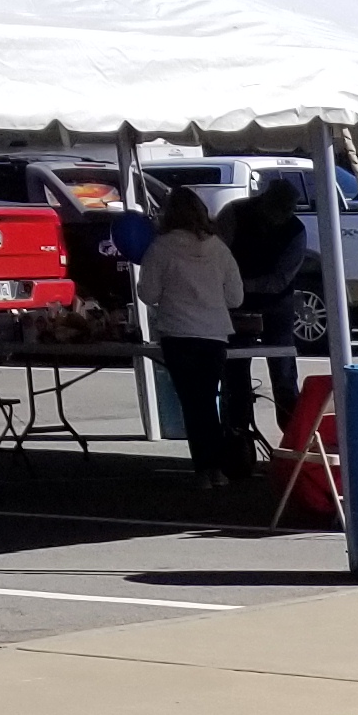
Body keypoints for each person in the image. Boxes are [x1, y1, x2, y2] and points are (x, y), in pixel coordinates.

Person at [135, 188, 249, 484]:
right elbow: (235, 297)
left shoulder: (160, 248)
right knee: (207, 400)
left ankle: (205, 467)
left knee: (192, 403)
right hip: (214, 334)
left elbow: (148, 293)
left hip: (179, 333)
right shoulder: (219, 248)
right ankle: (217, 467)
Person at [218, 175, 309, 447]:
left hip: (276, 305)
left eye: (288, 210)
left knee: (283, 372)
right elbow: (219, 255)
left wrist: (240, 285)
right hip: (236, 304)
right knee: (234, 372)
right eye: (279, 209)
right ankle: (237, 436)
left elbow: (281, 279)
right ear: (264, 202)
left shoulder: (296, 231)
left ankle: (293, 438)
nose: (283, 217)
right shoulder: (234, 213)